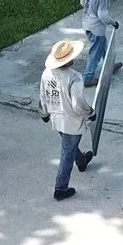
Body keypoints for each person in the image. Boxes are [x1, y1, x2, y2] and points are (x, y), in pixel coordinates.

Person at [38, 40, 96, 201]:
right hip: (72, 120)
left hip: (56, 118)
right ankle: (60, 189)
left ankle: (81, 161)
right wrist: (90, 113)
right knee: (66, 154)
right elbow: (78, 103)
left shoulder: (46, 73)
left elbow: (43, 96)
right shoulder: (74, 77)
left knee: (68, 146)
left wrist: (44, 113)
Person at [80, 0, 123, 87]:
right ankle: (88, 78)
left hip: (87, 24)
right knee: (95, 54)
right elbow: (102, 15)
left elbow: (82, 2)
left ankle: (109, 66)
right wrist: (113, 22)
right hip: (96, 29)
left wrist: (91, 10)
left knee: (104, 47)